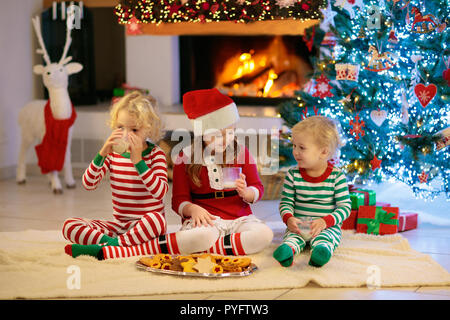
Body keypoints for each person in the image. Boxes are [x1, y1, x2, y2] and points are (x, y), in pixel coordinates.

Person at [94, 88, 273, 260]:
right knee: (201, 236)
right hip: (206, 222)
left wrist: (247, 193)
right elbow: (178, 201)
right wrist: (193, 209)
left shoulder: (241, 153)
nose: (226, 140)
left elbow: (258, 187)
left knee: (264, 234)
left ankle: (206, 248)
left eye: (231, 132)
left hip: (238, 219)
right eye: (217, 135)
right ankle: (207, 245)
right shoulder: (184, 157)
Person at [63, 91, 169, 259]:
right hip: (119, 227)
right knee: (70, 226)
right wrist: (102, 153)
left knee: (157, 221)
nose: (126, 134)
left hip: (146, 227)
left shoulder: (156, 155)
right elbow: (88, 184)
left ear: (149, 130)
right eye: (120, 127)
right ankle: (116, 244)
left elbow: (160, 192)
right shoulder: (113, 154)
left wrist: (138, 162)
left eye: (134, 129)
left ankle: (106, 247)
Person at [273, 115, 351, 268]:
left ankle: (320, 253)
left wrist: (325, 221)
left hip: (325, 226)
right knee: (292, 237)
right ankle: (287, 251)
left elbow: (345, 207)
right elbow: (286, 203)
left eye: (301, 148)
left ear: (323, 152)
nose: (295, 152)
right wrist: (289, 218)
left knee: (326, 238)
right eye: (294, 146)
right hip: (299, 225)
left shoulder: (337, 176)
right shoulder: (293, 175)